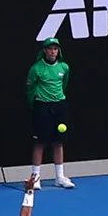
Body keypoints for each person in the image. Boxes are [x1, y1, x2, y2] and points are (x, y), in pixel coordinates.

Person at [25, 38, 75, 188]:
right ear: (44, 51)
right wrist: (37, 104)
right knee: (40, 142)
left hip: (59, 106)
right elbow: (30, 89)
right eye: (50, 49)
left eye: (55, 49)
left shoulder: (64, 67)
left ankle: (59, 177)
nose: (53, 52)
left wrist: (57, 99)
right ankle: (36, 177)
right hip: (42, 107)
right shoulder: (36, 69)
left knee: (58, 142)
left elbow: (64, 84)